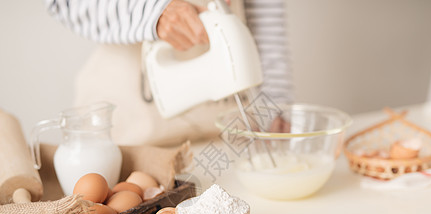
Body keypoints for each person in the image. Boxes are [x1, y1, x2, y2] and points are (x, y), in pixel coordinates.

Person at [44, 0, 294, 146]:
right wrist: (152, 12)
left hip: (225, 137)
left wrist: (274, 105)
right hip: (131, 140)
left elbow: (264, 12)